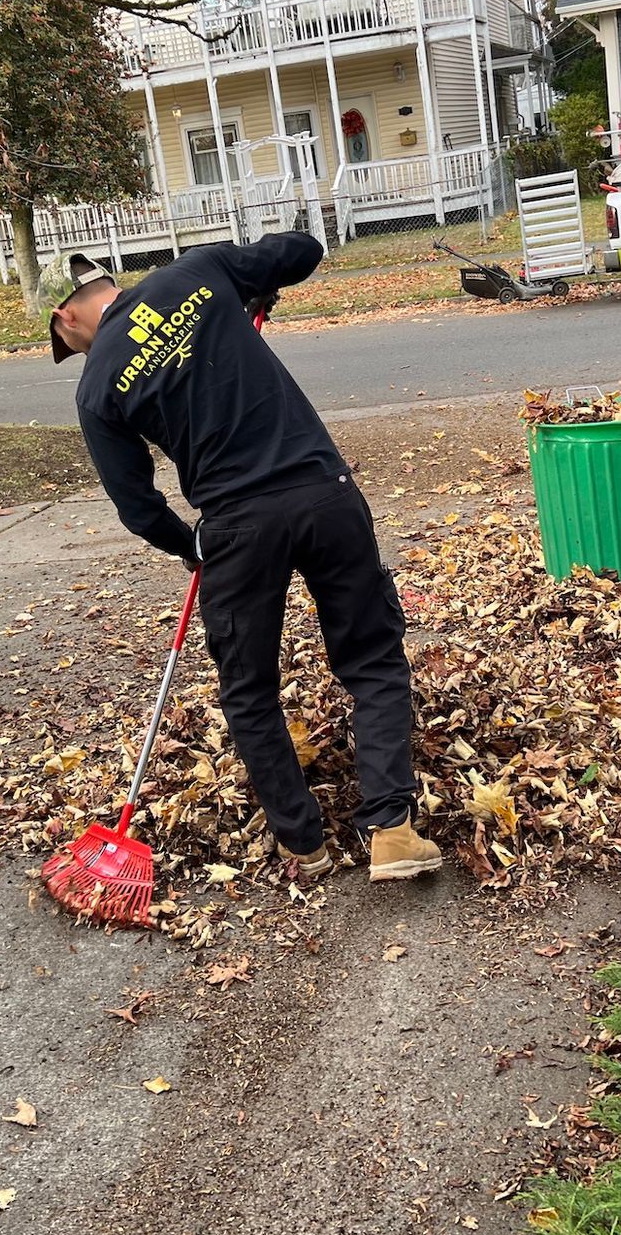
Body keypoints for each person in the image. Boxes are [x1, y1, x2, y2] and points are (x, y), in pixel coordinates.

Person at [35, 232, 440, 884]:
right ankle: (391, 828)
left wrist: (191, 544)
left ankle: (303, 844)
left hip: (236, 529)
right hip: (322, 493)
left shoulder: (95, 389)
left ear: (67, 314)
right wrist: (249, 278)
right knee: (371, 659)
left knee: (249, 691)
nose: (74, 352)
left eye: (67, 343)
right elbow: (304, 249)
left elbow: (137, 506)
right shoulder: (196, 273)